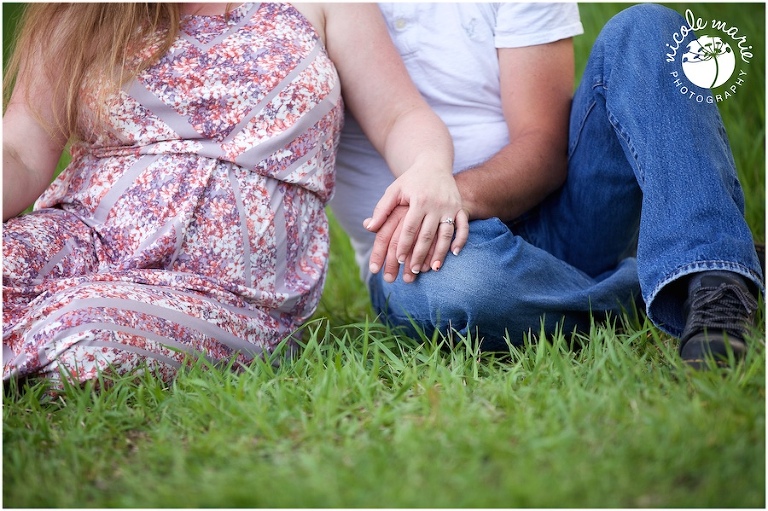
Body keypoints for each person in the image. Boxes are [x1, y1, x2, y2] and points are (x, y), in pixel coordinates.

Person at [2, 2, 469, 385]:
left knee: (85, 333)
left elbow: (399, 115)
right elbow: (20, 150)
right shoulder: (82, 10)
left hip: (233, 287)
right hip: (85, 234)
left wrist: (429, 166)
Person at [330, 3, 764, 368]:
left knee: (648, 30)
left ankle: (716, 285)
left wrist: (447, 193)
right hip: (419, 253)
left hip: (564, 218)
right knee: (465, 288)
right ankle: (675, 273)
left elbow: (544, 146)